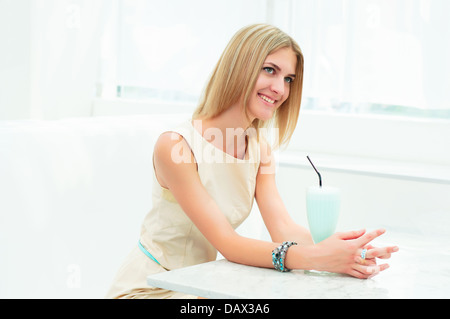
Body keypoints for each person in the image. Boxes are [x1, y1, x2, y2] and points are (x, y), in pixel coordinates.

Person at [106, 24, 398, 299]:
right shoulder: (175, 146)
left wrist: (349, 249)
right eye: (269, 70)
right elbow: (228, 243)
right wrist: (319, 257)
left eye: (288, 79)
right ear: (239, 68)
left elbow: (283, 229)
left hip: (195, 288)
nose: (280, 89)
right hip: (150, 287)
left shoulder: (260, 150)